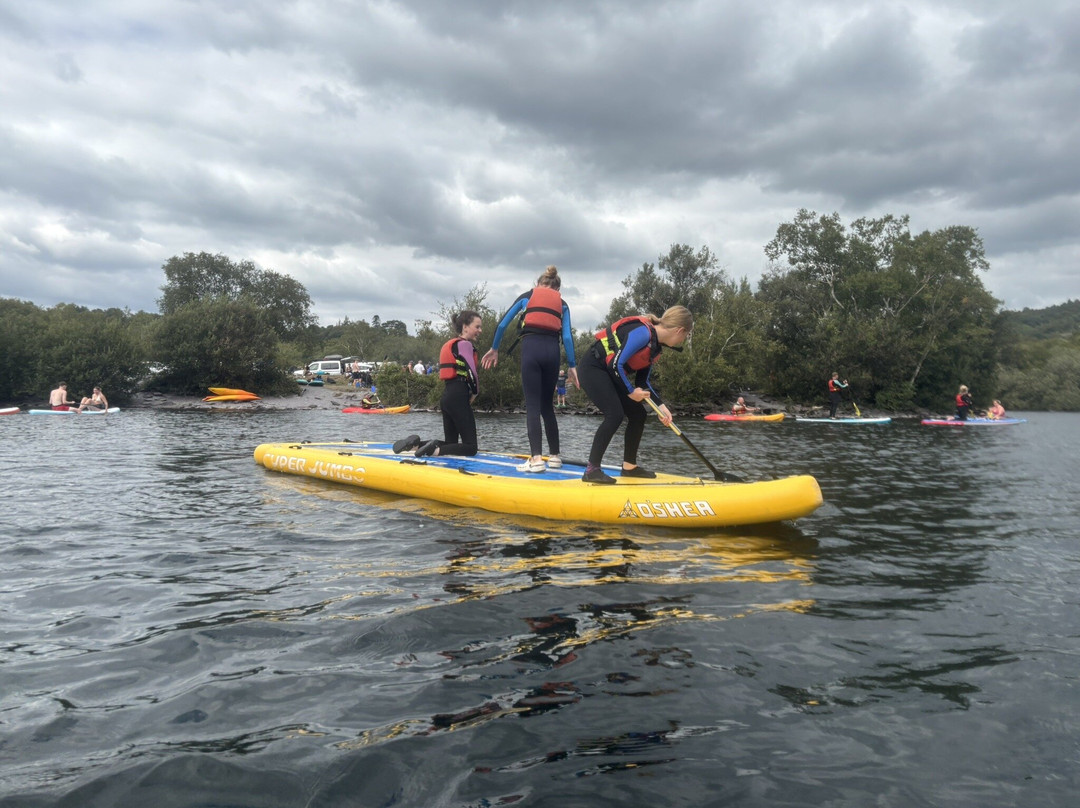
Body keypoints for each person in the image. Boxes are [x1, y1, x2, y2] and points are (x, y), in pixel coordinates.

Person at [577, 305, 694, 484]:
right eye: (685, 336)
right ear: (679, 330)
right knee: (614, 414)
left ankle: (629, 467)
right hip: (593, 369)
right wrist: (630, 392)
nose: (682, 340)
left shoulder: (655, 346)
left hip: (610, 374)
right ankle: (591, 471)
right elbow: (615, 365)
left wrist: (661, 407)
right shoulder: (643, 333)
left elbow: (643, 383)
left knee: (638, 414)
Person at [482, 265, 580, 473]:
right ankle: (555, 457)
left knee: (533, 406)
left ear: (538, 284)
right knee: (547, 407)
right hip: (552, 353)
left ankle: (536, 459)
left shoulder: (527, 296)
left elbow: (502, 325)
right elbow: (567, 337)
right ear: (558, 288)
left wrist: (494, 348)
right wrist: (572, 365)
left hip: (531, 350)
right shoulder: (562, 304)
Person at [393, 310, 483, 458]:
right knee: (471, 447)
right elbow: (472, 373)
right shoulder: (465, 344)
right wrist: (475, 393)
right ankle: (433, 451)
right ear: (465, 327)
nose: (480, 330)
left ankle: (415, 445)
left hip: (447, 396)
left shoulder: (452, 344)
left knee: (451, 443)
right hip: (459, 395)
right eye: (477, 327)